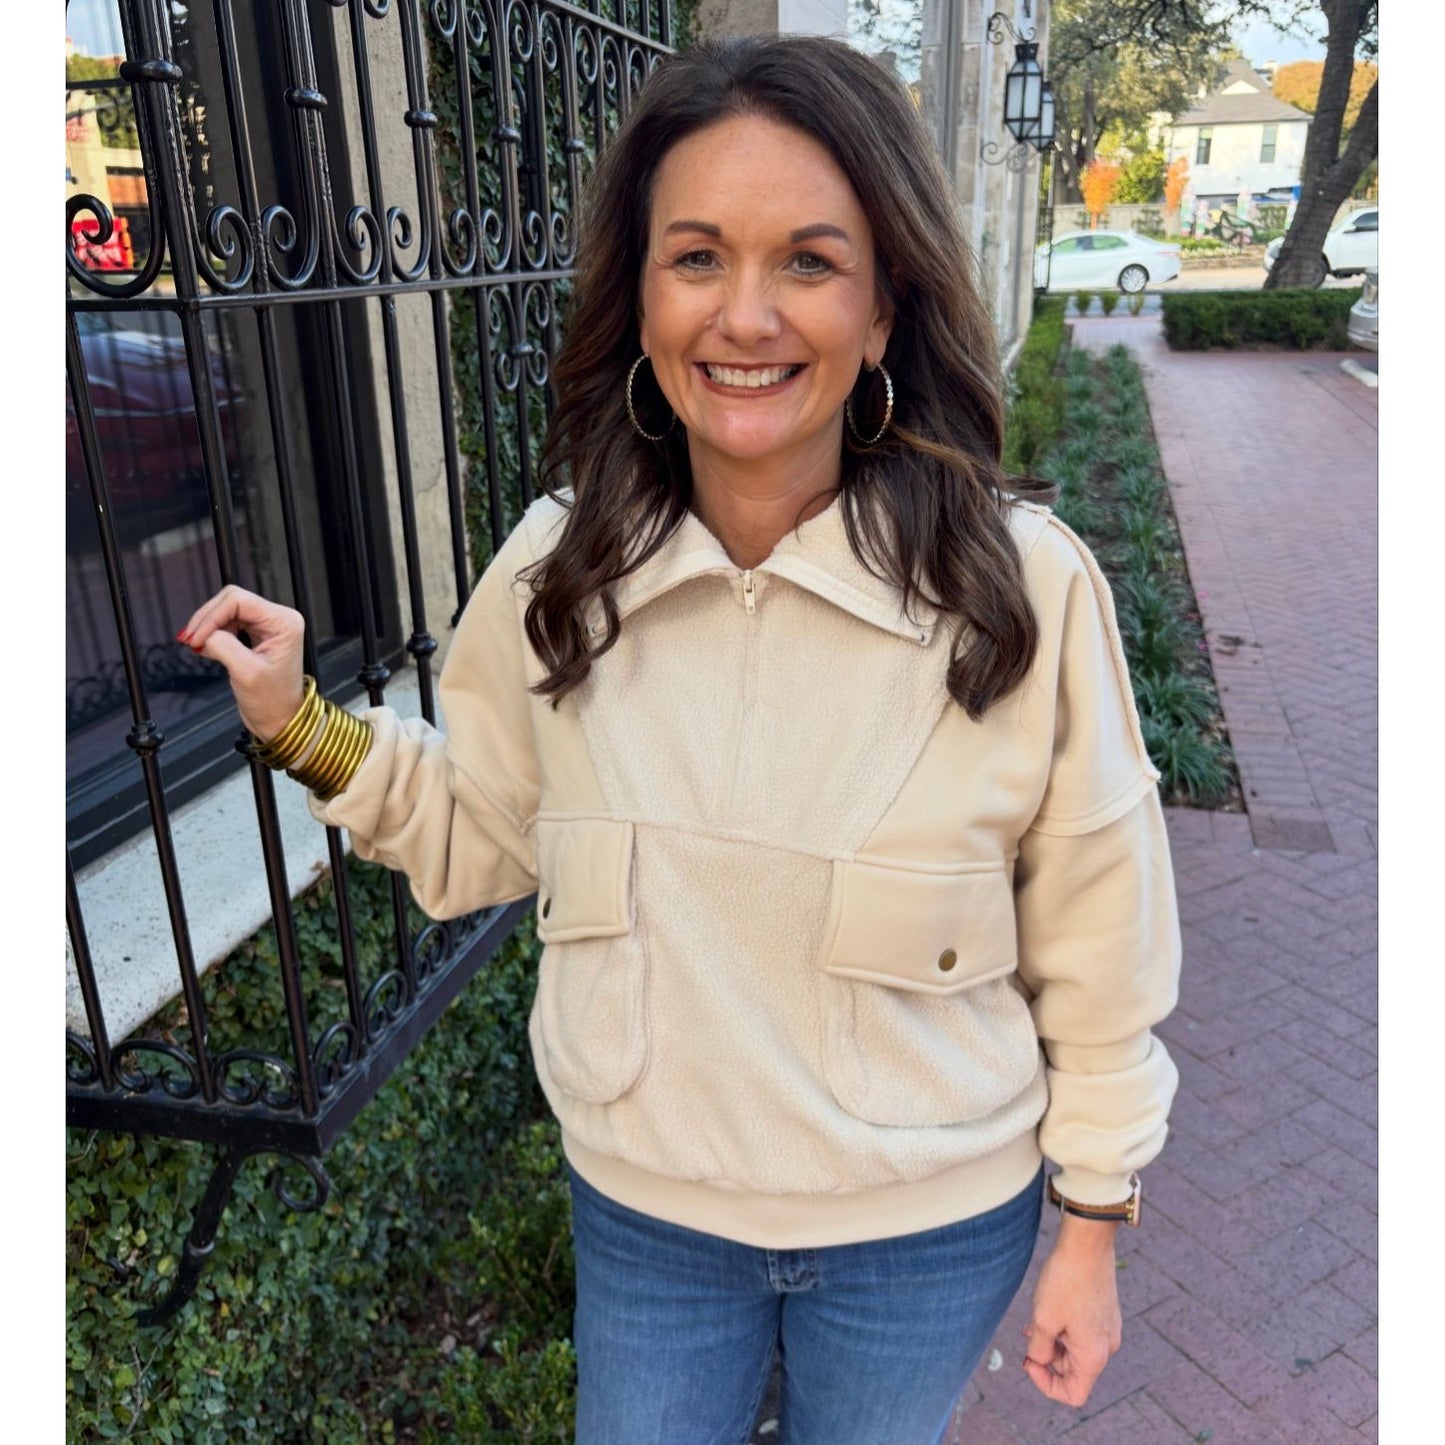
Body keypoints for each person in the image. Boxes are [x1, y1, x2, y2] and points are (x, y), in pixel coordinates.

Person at [179, 34, 1180, 1445]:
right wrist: (302, 725)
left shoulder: (1018, 591)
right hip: (650, 1218)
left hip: (927, 1231)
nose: (746, 315)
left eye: (811, 263)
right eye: (697, 256)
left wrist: (1092, 1219)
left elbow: (1099, 932)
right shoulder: (555, 575)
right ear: (641, 294)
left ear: (887, 307)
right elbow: (477, 837)